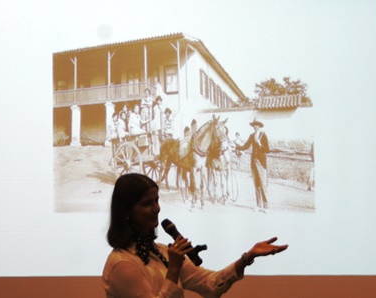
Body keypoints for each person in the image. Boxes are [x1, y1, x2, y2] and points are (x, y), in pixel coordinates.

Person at [102, 173, 287, 297]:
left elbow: (210, 285)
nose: (157, 208)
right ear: (126, 211)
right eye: (147, 203)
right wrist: (173, 270)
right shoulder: (122, 263)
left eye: (157, 201)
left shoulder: (162, 252)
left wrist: (247, 257)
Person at [236, 118, 270, 213]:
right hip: (253, 163)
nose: (255, 126)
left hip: (261, 162)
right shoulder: (251, 136)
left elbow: (267, 150)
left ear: (259, 126)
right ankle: (258, 205)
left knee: (263, 184)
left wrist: (260, 145)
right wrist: (237, 146)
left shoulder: (263, 136)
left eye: (257, 125)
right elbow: (246, 146)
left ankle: (266, 206)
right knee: (256, 184)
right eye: (254, 125)